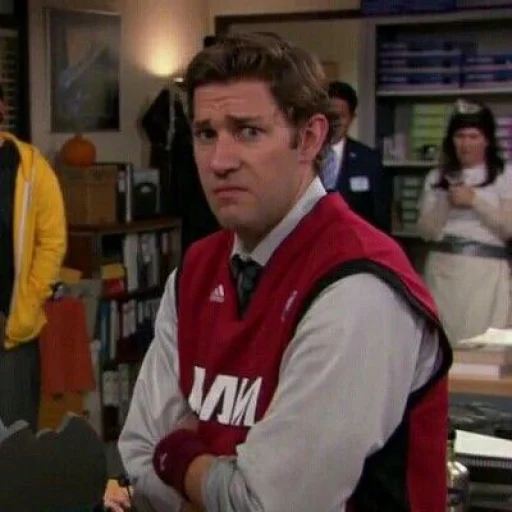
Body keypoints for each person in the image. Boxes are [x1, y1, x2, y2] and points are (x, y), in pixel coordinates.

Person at [112, 33, 452, 512]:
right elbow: (138, 458)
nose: (220, 161)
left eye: (248, 131)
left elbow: (268, 505)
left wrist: (180, 456)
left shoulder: (358, 287)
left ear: (309, 139)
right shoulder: (194, 271)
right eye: (206, 134)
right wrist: (205, 484)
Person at [417, 99, 512, 344]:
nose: (466, 144)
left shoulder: (505, 176)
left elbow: (509, 228)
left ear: (487, 140)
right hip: (443, 272)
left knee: (483, 346)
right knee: (443, 342)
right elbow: (426, 231)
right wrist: (445, 202)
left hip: (487, 274)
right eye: (460, 136)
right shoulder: (436, 177)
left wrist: (475, 201)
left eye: (473, 136)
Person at [0, 83, 67, 431]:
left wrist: (26, 306)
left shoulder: (30, 168)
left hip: (12, 329)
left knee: (15, 438)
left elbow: (52, 242)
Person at [323, 81, 392, 233]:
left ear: (352, 117)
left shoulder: (369, 161)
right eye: (330, 115)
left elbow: (381, 219)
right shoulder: (303, 157)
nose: (334, 122)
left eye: (340, 116)